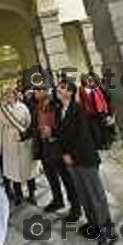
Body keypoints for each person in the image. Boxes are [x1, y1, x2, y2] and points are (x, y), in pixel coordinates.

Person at [54, 79, 117, 245]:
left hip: (85, 158)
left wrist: (70, 154)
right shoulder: (60, 110)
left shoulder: (78, 109)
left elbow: (82, 136)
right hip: (71, 161)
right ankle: (94, 225)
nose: (58, 90)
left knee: (96, 196)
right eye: (59, 87)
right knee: (83, 195)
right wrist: (63, 153)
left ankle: (108, 232)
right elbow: (60, 135)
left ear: (70, 92)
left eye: (62, 88)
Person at [33, 87, 82, 220]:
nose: (35, 93)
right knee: (51, 176)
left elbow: (63, 124)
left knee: (66, 178)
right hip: (44, 146)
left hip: (57, 146)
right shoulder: (37, 106)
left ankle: (76, 207)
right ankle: (57, 200)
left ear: (45, 91)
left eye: (38, 90)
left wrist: (52, 132)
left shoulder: (56, 104)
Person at [0, 88, 37, 205]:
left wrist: (24, 134)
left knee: (28, 168)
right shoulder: (2, 110)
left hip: (24, 141)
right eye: (6, 95)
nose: (9, 97)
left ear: (15, 95)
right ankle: (18, 195)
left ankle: (32, 194)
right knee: (14, 170)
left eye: (11, 94)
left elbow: (29, 122)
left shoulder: (23, 107)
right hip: (9, 141)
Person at [77, 74, 116, 150]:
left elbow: (106, 97)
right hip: (92, 113)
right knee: (96, 129)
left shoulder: (98, 87)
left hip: (102, 110)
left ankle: (108, 141)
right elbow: (83, 101)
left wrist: (109, 110)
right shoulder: (83, 90)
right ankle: (101, 143)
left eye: (91, 80)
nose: (90, 81)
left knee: (105, 127)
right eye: (88, 80)